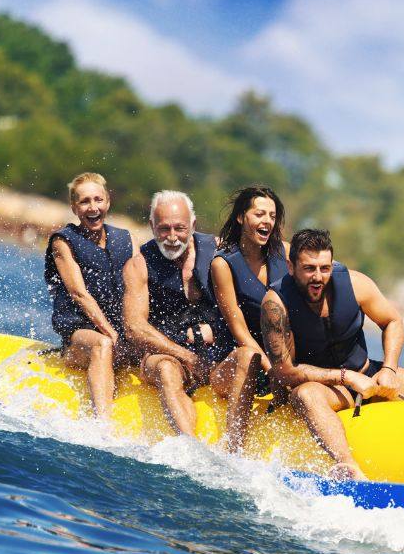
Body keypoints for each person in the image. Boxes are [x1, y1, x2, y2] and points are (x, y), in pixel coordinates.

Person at [260, 229, 404, 480]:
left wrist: (389, 368)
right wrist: (346, 377)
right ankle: (348, 467)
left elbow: (392, 321)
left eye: (324, 268)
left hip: (370, 374)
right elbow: (285, 372)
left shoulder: (356, 284)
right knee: (305, 395)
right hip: (325, 387)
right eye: (309, 268)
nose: (318, 277)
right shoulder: (275, 304)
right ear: (291, 267)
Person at [122, 190, 256, 438]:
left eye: (179, 228)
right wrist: (185, 356)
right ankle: (190, 446)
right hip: (167, 358)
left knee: (247, 357)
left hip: (216, 362)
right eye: (164, 229)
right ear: (152, 226)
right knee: (165, 369)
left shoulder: (221, 253)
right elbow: (134, 327)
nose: (172, 237)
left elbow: (248, 304)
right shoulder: (139, 264)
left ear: (193, 225)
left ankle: (236, 444)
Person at [44, 172, 136, 419]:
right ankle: (102, 424)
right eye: (84, 202)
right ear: (74, 208)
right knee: (102, 344)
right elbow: (79, 293)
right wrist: (111, 332)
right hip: (79, 337)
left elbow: (138, 290)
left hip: (120, 332)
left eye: (98, 200)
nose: (93, 207)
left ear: (108, 202)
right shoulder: (63, 242)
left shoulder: (125, 239)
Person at [210, 185, 291, 452]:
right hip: (237, 362)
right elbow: (239, 331)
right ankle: (234, 448)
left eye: (272, 215)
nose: (267, 220)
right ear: (241, 217)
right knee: (248, 355)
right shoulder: (223, 264)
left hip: (281, 362)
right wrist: (274, 370)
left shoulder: (286, 254)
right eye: (259, 214)